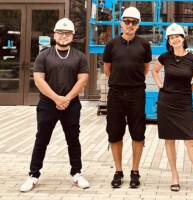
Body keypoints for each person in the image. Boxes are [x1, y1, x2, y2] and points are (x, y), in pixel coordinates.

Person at [20, 18, 89, 192]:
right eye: (60, 33)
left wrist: (66, 99)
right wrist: (57, 99)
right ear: (54, 35)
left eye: (67, 33)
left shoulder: (79, 56)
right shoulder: (44, 55)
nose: (63, 36)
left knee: (73, 139)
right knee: (41, 139)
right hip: (47, 105)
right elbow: (38, 79)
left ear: (72, 36)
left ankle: (77, 173)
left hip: (71, 104)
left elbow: (83, 80)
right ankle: (33, 175)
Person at [151, 23, 193, 195]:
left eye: (177, 36)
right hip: (166, 102)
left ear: (183, 38)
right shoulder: (165, 57)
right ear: (169, 41)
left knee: (191, 141)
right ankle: (174, 176)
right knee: (169, 140)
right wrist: (160, 85)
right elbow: (154, 71)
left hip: (183, 103)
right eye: (171, 37)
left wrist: (184, 91)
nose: (175, 39)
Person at [103, 7, 152, 189]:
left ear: (138, 25)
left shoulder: (144, 45)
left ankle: (135, 171)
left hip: (136, 93)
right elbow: (107, 70)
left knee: (138, 133)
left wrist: (132, 81)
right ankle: (118, 171)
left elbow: (145, 68)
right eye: (127, 21)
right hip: (115, 94)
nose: (130, 25)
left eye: (134, 22)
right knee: (115, 134)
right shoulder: (111, 44)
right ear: (121, 23)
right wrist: (119, 81)